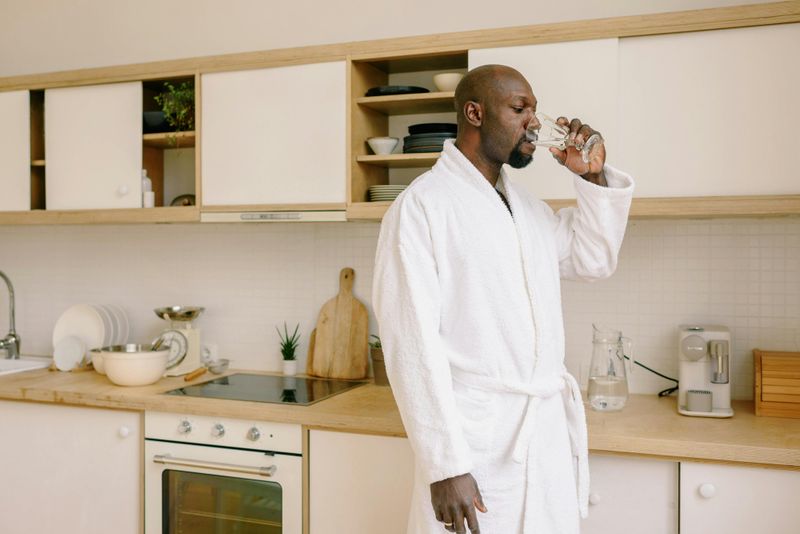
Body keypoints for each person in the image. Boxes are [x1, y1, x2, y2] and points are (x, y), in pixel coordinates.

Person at [372, 64, 634, 534]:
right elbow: (411, 346)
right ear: (474, 113)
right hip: (476, 443)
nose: (535, 121)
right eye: (519, 109)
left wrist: (591, 179)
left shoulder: (527, 210)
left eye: (534, 109)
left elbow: (592, 261)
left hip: (543, 434)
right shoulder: (421, 209)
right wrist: (444, 465)